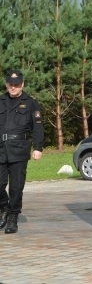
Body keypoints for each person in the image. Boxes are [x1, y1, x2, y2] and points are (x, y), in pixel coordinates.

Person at [0, 69, 45, 234]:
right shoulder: (1, 101)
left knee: (16, 187)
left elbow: (38, 127)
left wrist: (38, 147)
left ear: (22, 84)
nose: (13, 87)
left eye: (17, 84)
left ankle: (13, 217)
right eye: (11, 84)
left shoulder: (31, 103)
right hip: (1, 148)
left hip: (19, 149)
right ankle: (4, 207)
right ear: (6, 84)